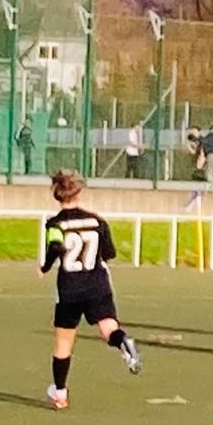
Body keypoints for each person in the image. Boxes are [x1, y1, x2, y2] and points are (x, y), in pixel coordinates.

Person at [40, 170, 140, 409]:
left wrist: (45, 267)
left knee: (64, 340)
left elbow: (55, 246)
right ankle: (123, 343)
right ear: (79, 193)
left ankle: (60, 393)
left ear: (56, 195)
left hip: (70, 288)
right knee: (109, 327)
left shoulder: (55, 224)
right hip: (97, 285)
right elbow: (110, 253)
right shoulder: (97, 222)